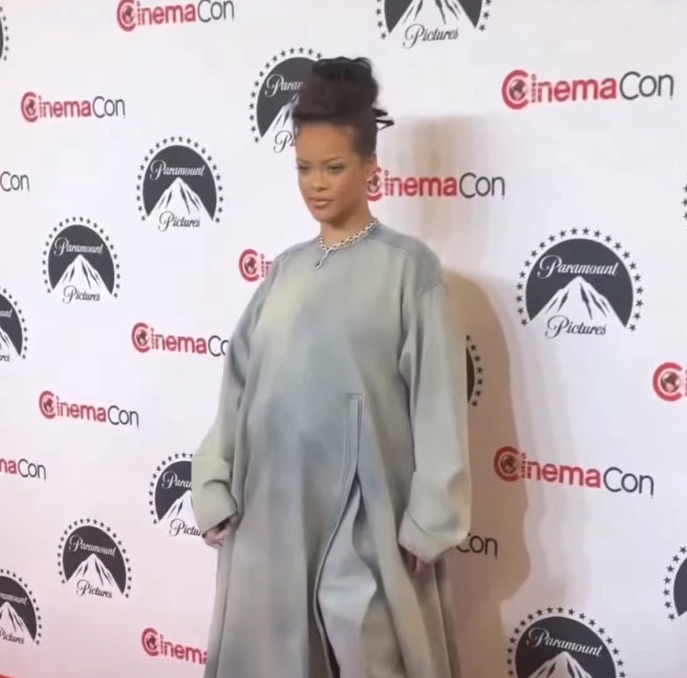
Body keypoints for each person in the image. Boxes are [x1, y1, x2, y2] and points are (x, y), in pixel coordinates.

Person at [191, 56, 471, 678]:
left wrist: (431, 519)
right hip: (269, 516)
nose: (316, 184)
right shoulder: (284, 271)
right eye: (304, 167)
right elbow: (239, 386)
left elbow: (438, 399)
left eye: (334, 167)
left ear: (371, 168)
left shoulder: (409, 269)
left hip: (365, 525)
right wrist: (213, 479)